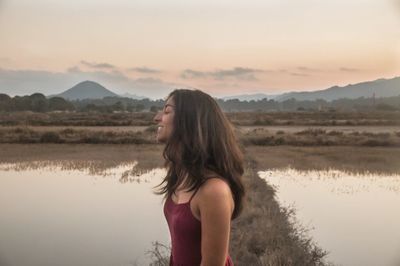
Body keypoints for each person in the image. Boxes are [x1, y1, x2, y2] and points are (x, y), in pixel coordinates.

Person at [153, 89, 245, 266]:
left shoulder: (213, 190)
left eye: (166, 111)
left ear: (189, 121)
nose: (157, 118)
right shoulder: (180, 177)